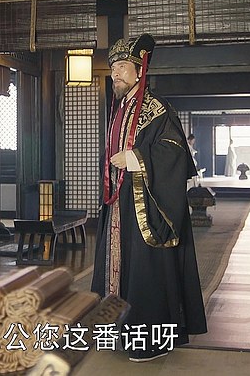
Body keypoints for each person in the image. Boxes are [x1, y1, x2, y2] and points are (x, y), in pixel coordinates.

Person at [91, 33, 207, 362]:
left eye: (123, 67)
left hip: (145, 204)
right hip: (118, 204)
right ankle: (115, 331)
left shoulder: (157, 109)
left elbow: (174, 153)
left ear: (140, 70)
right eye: (113, 68)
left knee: (145, 272)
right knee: (115, 265)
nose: (115, 73)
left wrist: (135, 158)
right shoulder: (119, 108)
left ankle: (149, 341)